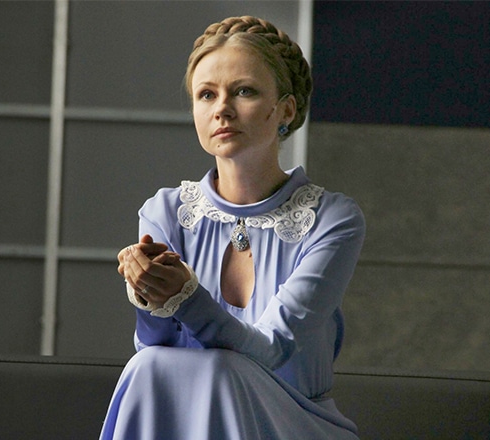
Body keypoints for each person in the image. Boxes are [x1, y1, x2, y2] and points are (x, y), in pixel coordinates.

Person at [99, 16, 365, 440]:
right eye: (206, 94)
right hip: (186, 423)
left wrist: (186, 297)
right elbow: (155, 350)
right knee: (148, 365)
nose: (221, 108)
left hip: (296, 421)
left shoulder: (333, 219)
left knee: (222, 369)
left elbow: (272, 349)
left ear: (286, 109)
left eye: (244, 91)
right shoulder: (165, 211)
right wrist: (148, 295)